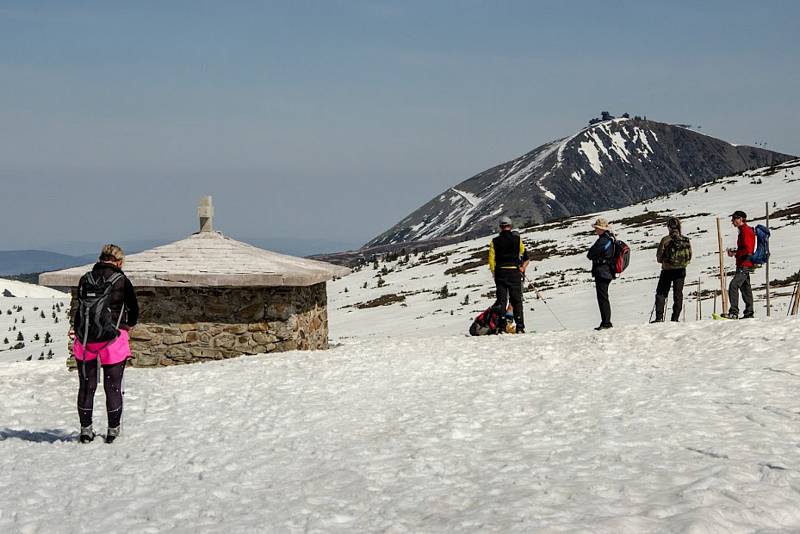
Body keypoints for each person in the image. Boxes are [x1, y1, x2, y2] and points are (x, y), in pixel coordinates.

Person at [73, 244, 139, 443]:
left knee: (86, 387)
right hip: (113, 341)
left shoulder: (86, 278)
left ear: (100, 258)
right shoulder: (121, 280)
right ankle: (113, 431)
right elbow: (134, 309)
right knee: (113, 387)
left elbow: (81, 307)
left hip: (85, 341)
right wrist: (127, 326)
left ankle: (86, 431)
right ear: (119, 262)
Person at [488, 216, 530, 333]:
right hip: (514, 273)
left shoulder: (494, 241)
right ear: (510, 226)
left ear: (500, 227)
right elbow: (522, 252)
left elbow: (491, 260)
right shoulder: (517, 239)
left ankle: (501, 327)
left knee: (502, 300)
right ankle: (520, 326)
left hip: (501, 273)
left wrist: (494, 273)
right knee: (516, 300)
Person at [652, 217, 692, 322]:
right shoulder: (685, 240)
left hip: (667, 270)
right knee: (678, 294)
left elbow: (659, 258)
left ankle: (659, 318)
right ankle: (675, 319)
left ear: (669, 227)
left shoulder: (665, 240)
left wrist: (666, 261)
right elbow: (689, 256)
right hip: (681, 270)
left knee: (661, 293)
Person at [725, 210, 755, 319]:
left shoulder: (746, 231)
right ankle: (749, 313)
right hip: (744, 263)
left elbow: (748, 250)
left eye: (734, 219)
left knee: (733, 285)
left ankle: (733, 313)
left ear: (741, 219)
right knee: (745, 289)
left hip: (744, 264)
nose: (732, 221)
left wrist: (735, 253)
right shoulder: (743, 230)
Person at [587, 217, 615, 330]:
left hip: (602, 272)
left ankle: (606, 322)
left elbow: (590, 254)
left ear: (601, 229)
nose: (595, 230)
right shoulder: (610, 238)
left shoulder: (602, 240)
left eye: (597, 228)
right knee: (604, 297)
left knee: (602, 297)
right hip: (608, 271)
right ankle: (606, 321)